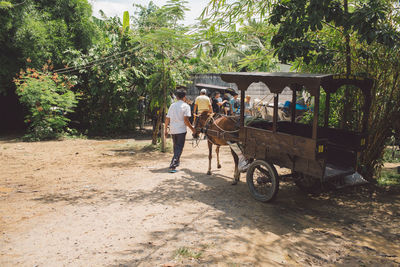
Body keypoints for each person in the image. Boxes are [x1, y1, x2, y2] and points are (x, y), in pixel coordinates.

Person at [164, 89, 196, 171]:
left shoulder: (172, 105)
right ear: (184, 97)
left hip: (173, 130)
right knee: (179, 147)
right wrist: (193, 129)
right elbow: (186, 120)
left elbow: (167, 118)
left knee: (176, 147)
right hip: (181, 130)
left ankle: (176, 161)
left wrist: (165, 129)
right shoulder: (186, 106)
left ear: (177, 97)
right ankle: (173, 164)